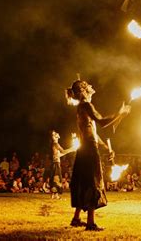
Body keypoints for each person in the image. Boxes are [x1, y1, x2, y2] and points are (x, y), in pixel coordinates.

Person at [65, 79, 130, 231]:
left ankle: (76, 218)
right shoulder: (86, 105)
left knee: (83, 182)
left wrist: (105, 147)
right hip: (88, 150)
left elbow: (92, 132)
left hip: (84, 149)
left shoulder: (81, 107)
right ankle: (90, 223)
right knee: (92, 182)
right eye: (88, 86)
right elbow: (101, 122)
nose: (91, 88)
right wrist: (119, 113)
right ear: (83, 90)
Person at [49, 131, 76, 199]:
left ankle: (54, 194)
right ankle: (55, 195)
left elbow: (60, 154)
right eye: (56, 133)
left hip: (55, 163)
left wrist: (71, 150)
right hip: (56, 163)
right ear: (55, 137)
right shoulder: (56, 144)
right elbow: (63, 151)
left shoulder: (55, 144)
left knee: (55, 178)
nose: (58, 133)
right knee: (58, 179)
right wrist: (72, 149)